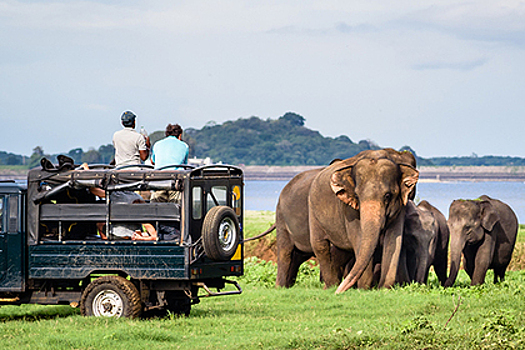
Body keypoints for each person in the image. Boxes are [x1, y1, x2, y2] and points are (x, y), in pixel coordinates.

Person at [150, 124, 189, 203]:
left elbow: (152, 161)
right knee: (177, 209)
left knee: (156, 208)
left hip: (159, 181)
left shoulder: (157, 144)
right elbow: (184, 165)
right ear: (180, 135)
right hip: (175, 182)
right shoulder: (184, 146)